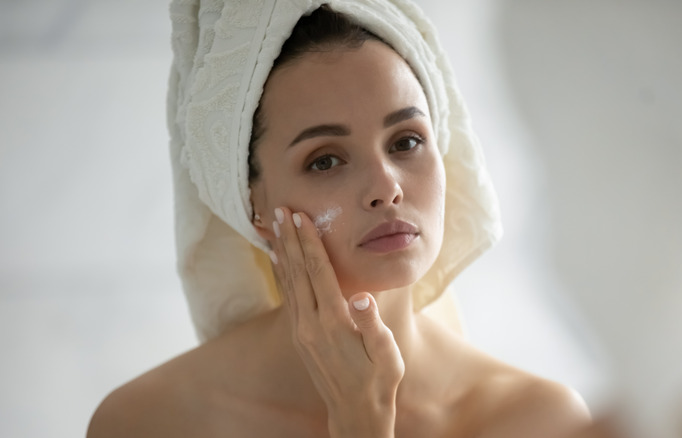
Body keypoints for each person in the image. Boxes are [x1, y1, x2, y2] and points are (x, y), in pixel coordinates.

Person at [87, 1, 589, 437]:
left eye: (406, 141)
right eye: (325, 160)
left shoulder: (538, 421)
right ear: (250, 203)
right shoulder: (148, 422)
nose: (386, 187)